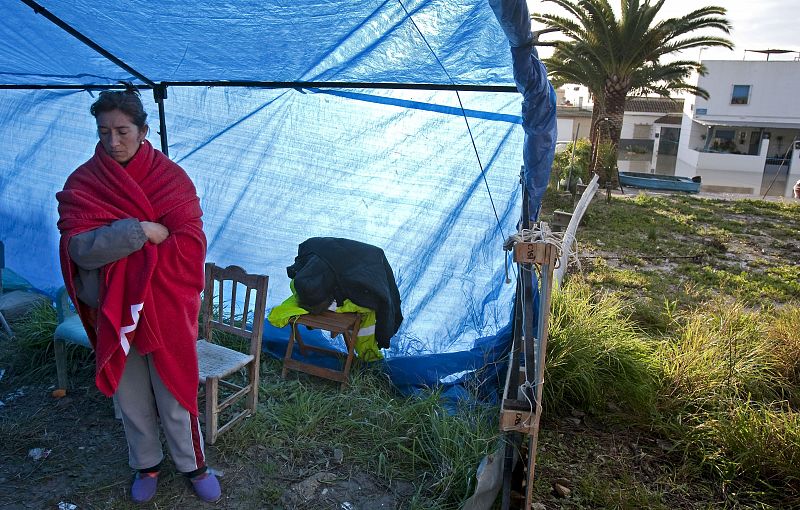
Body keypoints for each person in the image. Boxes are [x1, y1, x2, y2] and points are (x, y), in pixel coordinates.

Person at [56, 86, 220, 503]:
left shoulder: (170, 179)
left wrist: (117, 251)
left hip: (164, 305)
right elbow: (78, 248)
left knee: (174, 390)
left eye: (123, 131)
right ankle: (146, 464)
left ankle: (192, 464)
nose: (113, 142)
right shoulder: (84, 181)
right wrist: (139, 232)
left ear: (143, 131)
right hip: (114, 309)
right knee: (130, 395)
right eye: (104, 131)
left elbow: (189, 246)